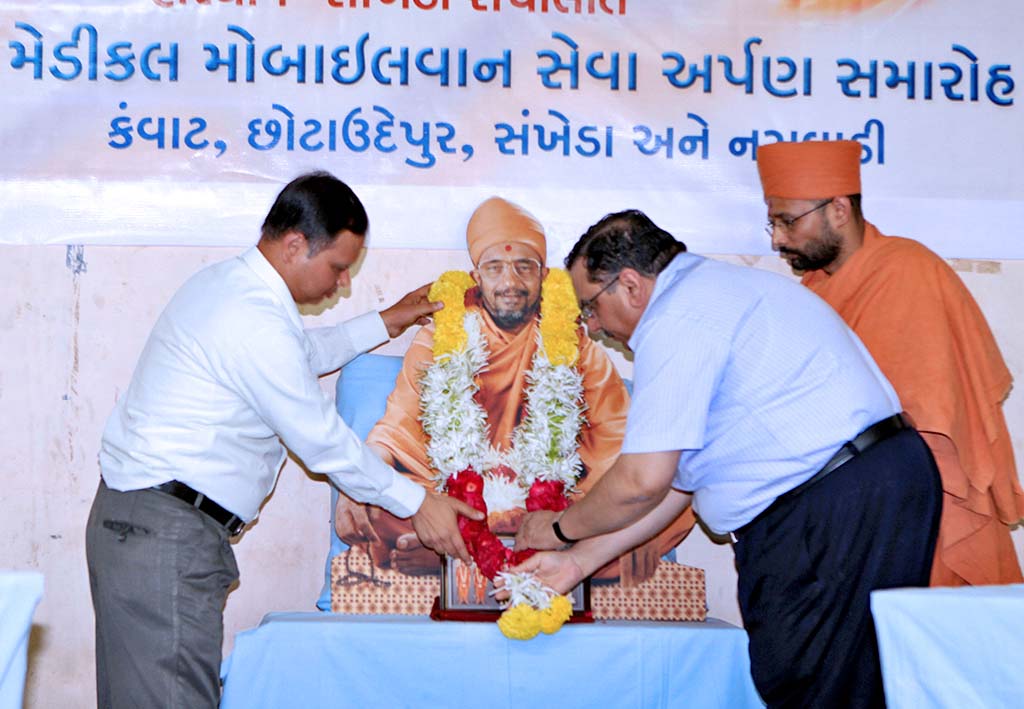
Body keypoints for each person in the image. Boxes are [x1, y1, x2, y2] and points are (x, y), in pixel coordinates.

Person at [512, 210, 942, 708]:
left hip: (831, 506)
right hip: (867, 487)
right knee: (852, 685)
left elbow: (640, 482)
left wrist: (560, 528)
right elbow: (677, 484)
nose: (593, 326)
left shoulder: (675, 320)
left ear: (629, 285)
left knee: (820, 688)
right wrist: (577, 562)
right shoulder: (714, 293)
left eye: (590, 306)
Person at [86, 171, 483, 709]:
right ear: (295, 245)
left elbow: (299, 356)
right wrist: (419, 502)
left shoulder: (234, 290)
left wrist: (386, 322)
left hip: (149, 526)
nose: (342, 284)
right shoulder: (252, 316)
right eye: (338, 268)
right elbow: (322, 442)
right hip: (164, 534)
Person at [334, 196, 695, 582]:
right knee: (376, 504)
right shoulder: (441, 337)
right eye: (495, 268)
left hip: (553, 508)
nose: (510, 283)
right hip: (458, 501)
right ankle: (486, 550)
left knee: (679, 496)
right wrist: (361, 484)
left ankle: (447, 556)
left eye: (524, 268)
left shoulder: (574, 343)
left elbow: (617, 438)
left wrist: (584, 510)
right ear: (475, 276)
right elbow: (399, 424)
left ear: (544, 276)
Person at [757, 139, 1024, 587]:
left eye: (788, 221)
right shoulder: (815, 290)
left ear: (838, 210)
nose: (778, 239)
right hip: (854, 514)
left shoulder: (906, 271)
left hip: (921, 511)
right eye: (773, 223)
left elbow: (925, 419)